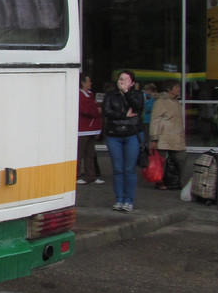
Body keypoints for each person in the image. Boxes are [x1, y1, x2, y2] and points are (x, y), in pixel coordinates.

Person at [101, 69, 144, 212]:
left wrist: (127, 93)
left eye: (126, 79)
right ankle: (119, 199)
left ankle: (129, 200)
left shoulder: (138, 94)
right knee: (118, 169)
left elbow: (138, 108)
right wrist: (124, 115)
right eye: (120, 79)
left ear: (132, 82)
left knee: (129, 169)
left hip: (132, 134)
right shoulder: (110, 95)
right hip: (114, 134)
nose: (122, 82)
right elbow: (107, 112)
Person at [149, 80, 186, 191]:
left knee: (181, 158)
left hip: (176, 136)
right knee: (160, 161)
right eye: (176, 87)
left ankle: (173, 180)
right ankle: (159, 181)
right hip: (163, 136)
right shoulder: (161, 102)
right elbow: (155, 120)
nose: (178, 89)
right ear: (169, 89)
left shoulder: (176, 102)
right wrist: (154, 138)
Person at [77, 73, 104, 185]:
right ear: (83, 83)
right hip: (83, 129)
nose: (90, 83)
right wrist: (96, 110)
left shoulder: (89, 94)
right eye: (88, 81)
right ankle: (76, 175)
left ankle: (90, 175)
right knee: (79, 154)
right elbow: (85, 110)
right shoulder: (80, 94)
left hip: (92, 128)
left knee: (90, 154)